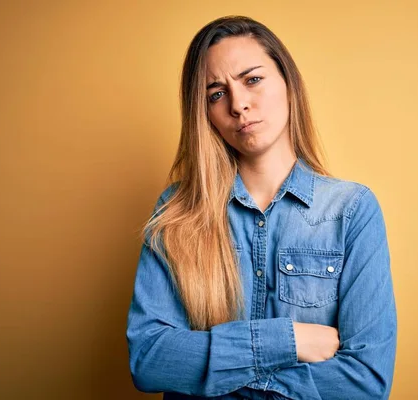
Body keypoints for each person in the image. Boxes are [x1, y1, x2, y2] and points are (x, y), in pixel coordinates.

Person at [126, 15, 397, 400]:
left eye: (252, 80)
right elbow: (149, 359)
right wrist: (288, 340)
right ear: (204, 114)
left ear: (289, 84)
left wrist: (219, 378)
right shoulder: (177, 211)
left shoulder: (351, 211)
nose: (239, 105)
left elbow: (365, 383)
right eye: (216, 94)